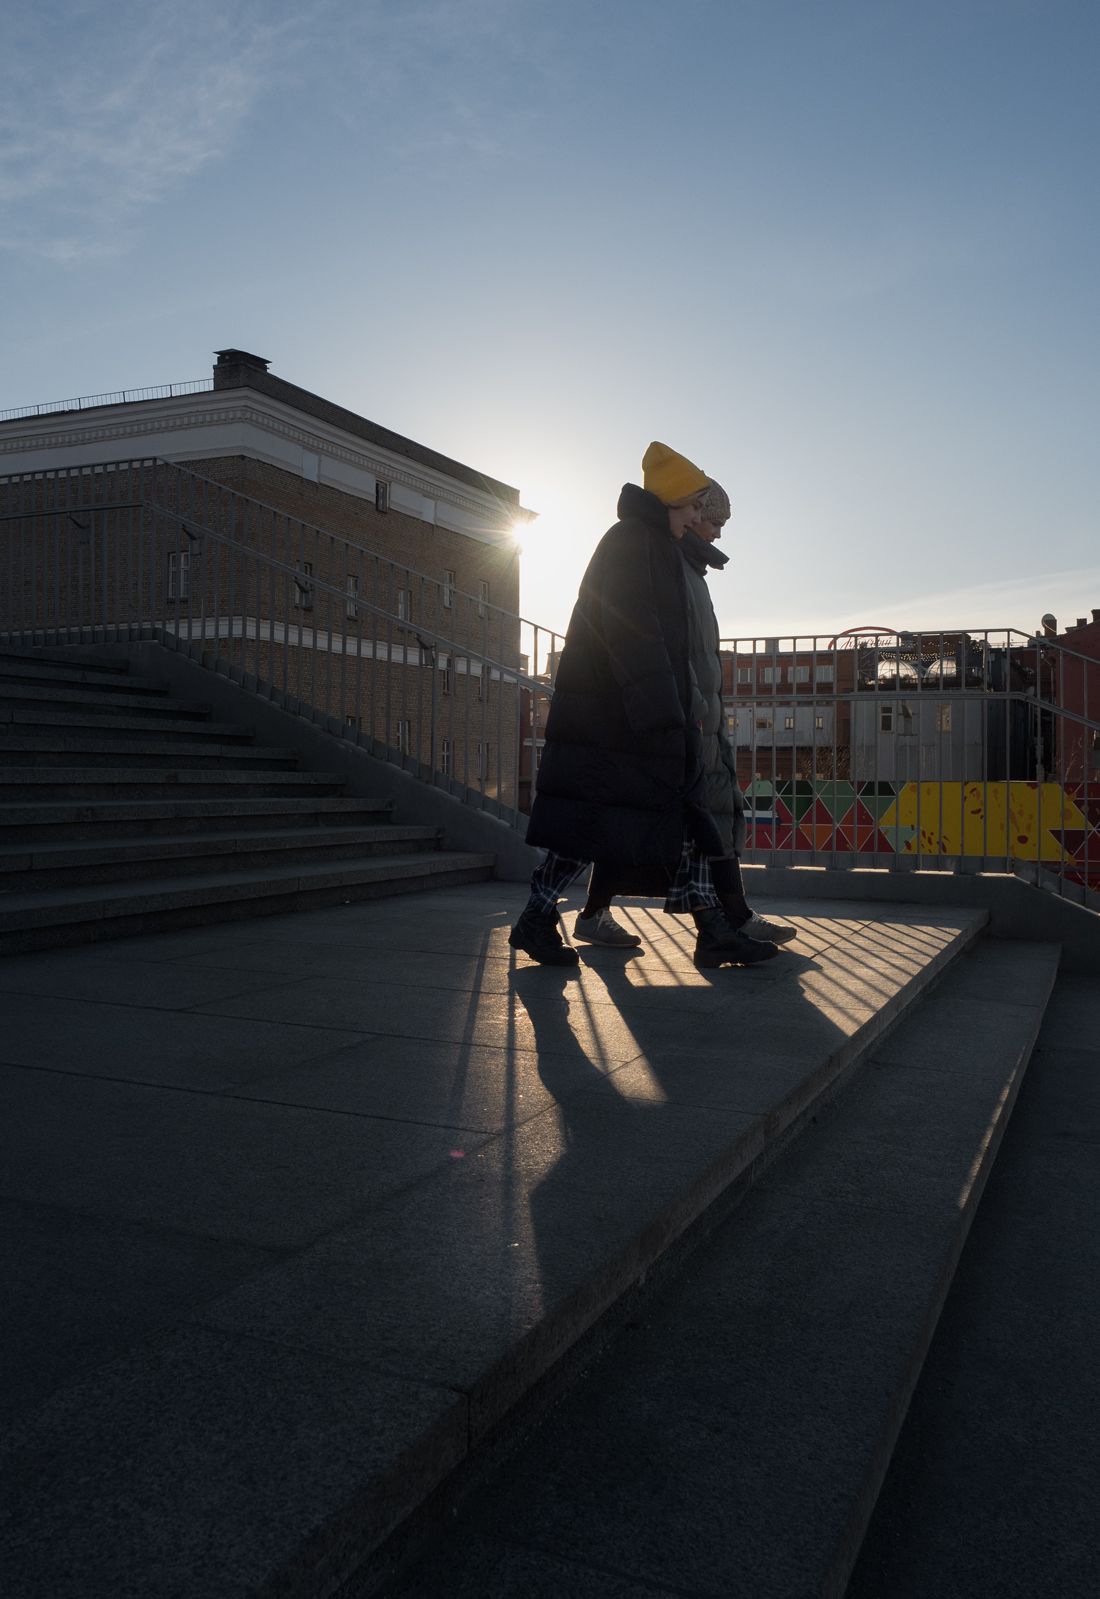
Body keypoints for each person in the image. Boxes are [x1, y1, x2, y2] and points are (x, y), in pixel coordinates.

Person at [509, 442, 778, 970]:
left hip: (624, 717)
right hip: (619, 721)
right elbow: (635, 639)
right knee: (599, 825)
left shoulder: (647, 542)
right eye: (694, 507)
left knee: (671, 817)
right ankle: (540, 917)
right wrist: (665, 715)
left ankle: (712, 929)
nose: (698, 518)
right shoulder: (633, 544)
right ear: (671, 501)